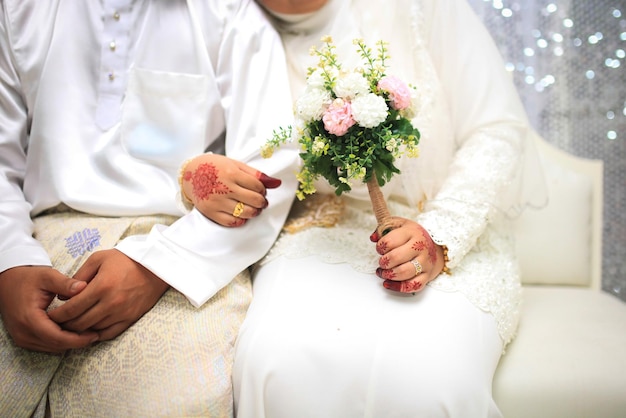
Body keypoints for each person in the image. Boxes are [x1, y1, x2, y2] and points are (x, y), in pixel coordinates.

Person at [220, 0, 548, 416]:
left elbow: (495, 129)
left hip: (443, 223)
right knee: (278, 361)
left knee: (429, 375)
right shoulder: (228, 25)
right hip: (315, 232)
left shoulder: (423, 8)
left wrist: (442, 233)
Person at [0, 0, 298, 416]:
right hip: (37, 237)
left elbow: (272, 170)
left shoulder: (230, 12)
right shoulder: (19, 11)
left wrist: (158, 265)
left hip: (185, 248)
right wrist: (10, 261)